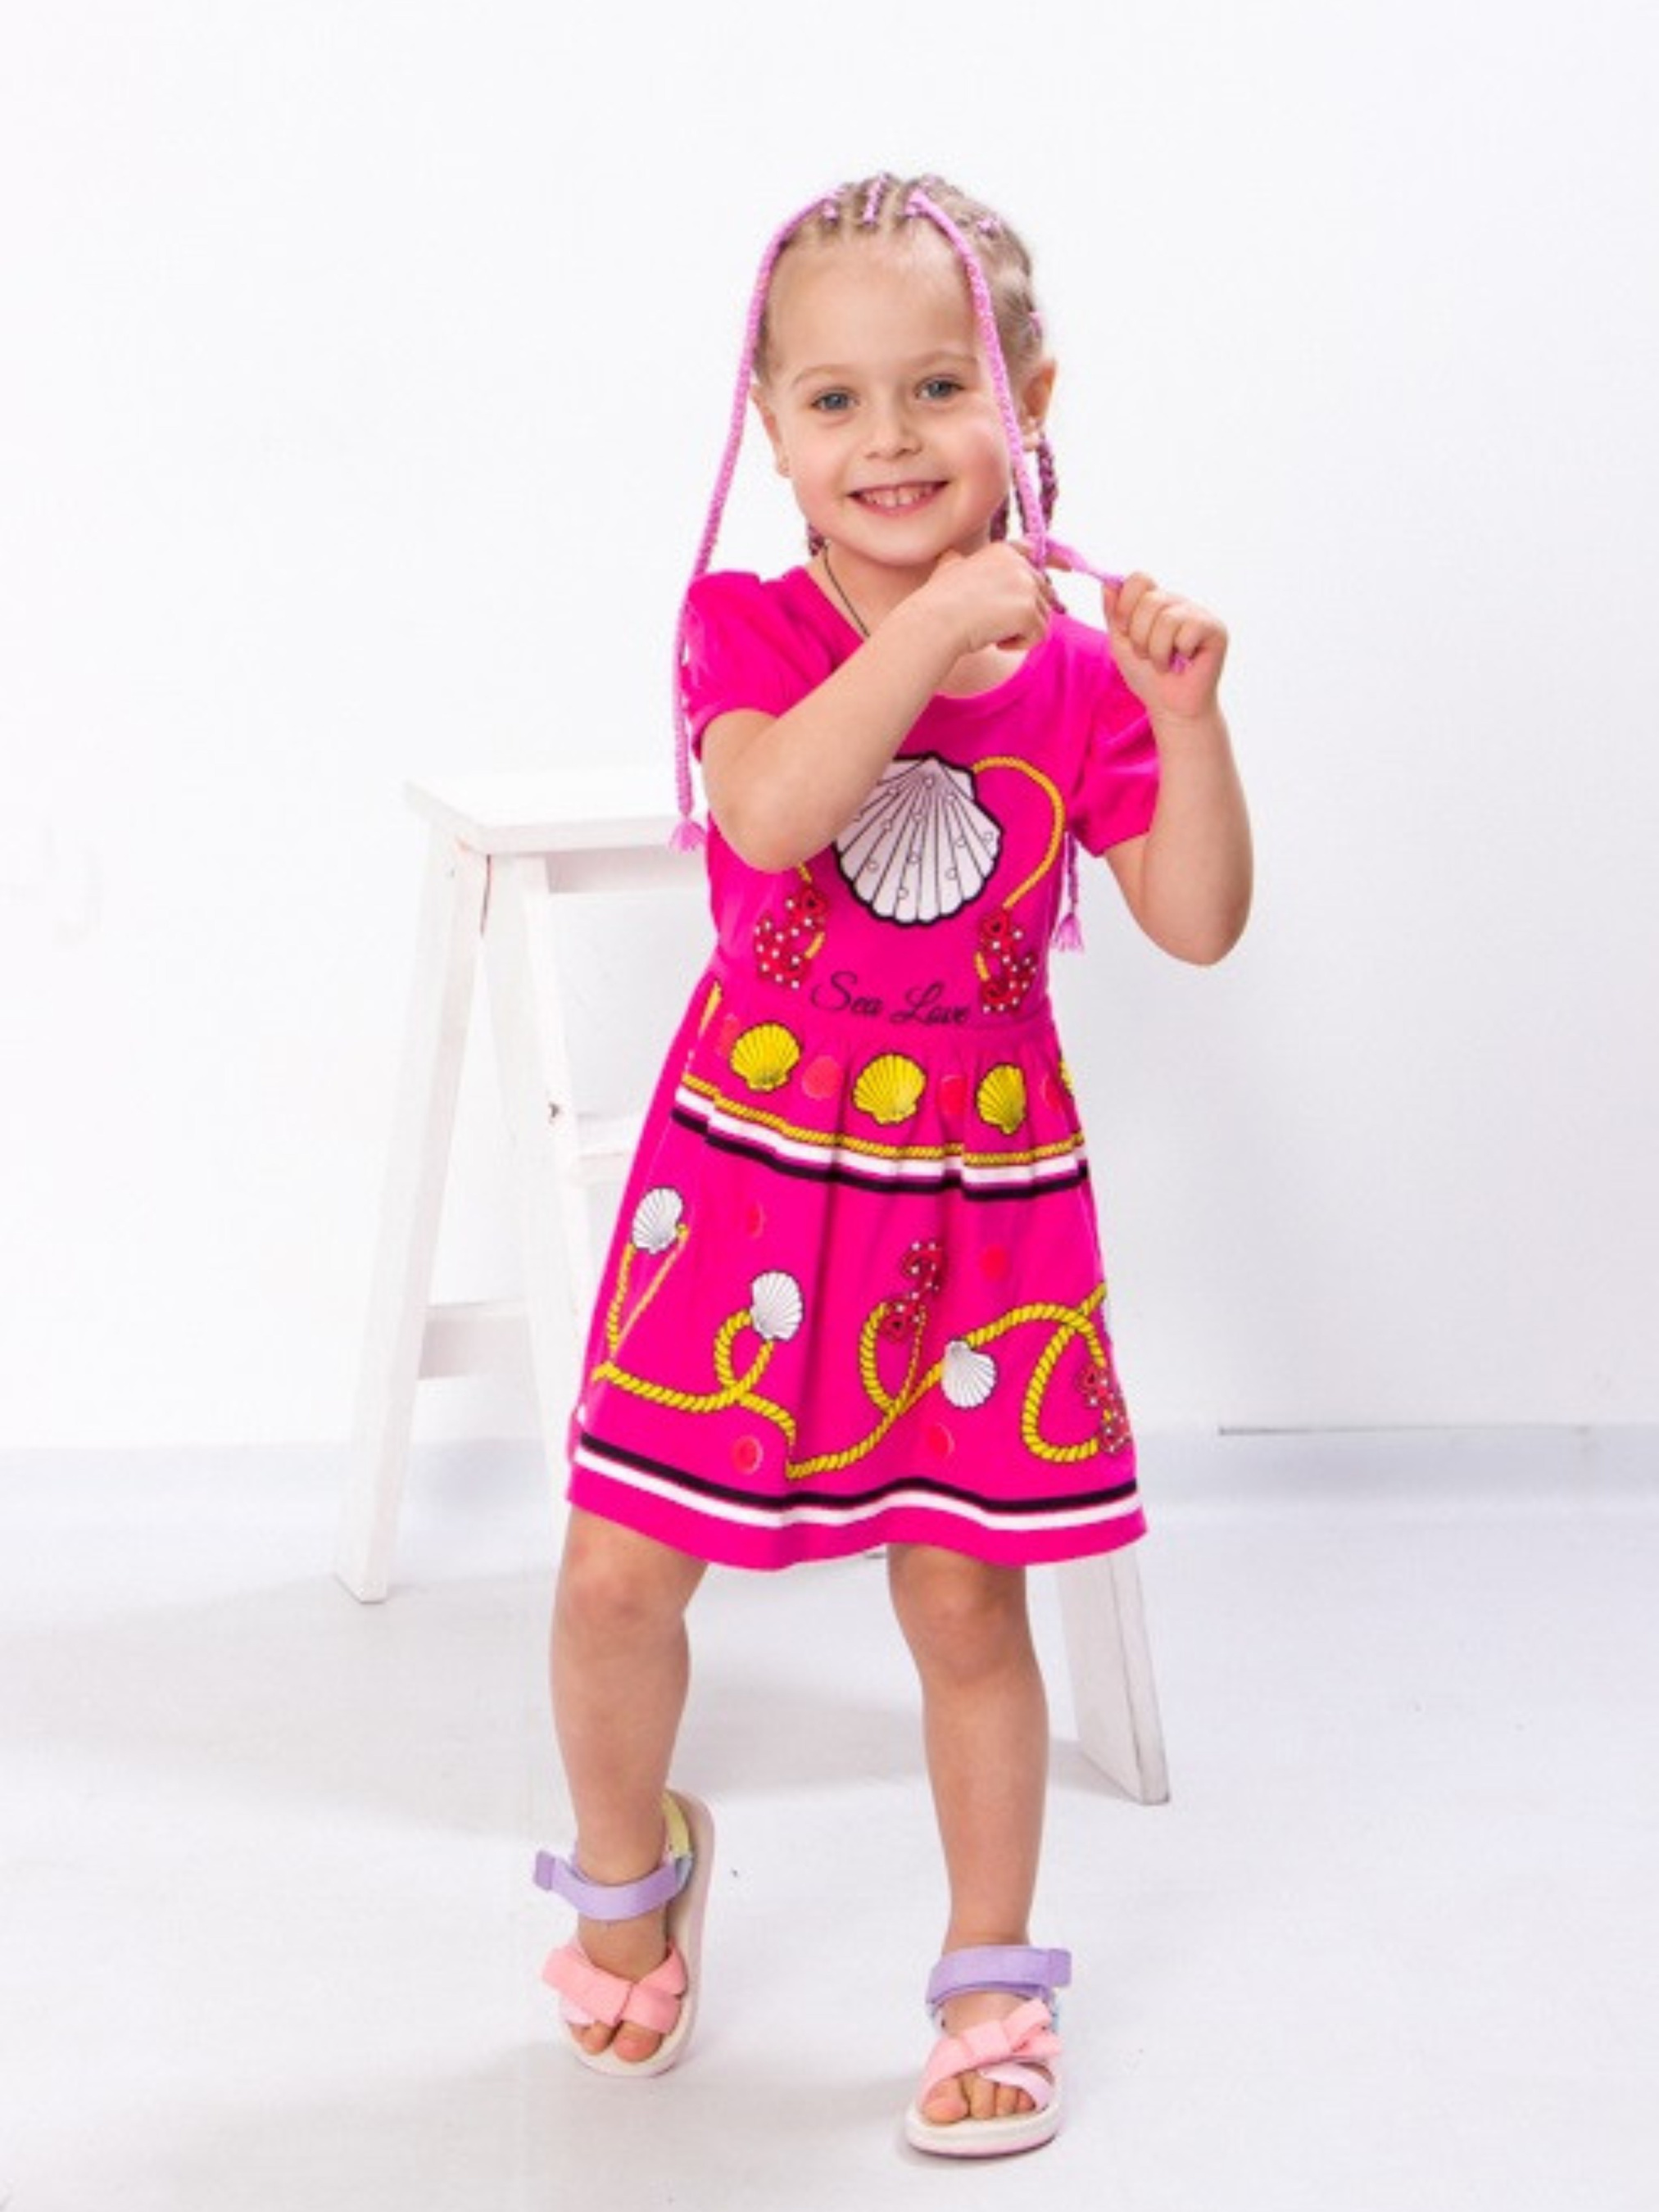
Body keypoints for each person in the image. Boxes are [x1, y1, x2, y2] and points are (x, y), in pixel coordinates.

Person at [532, 170, 1252, 2159]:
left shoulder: (1078, 675)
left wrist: (1185, 723)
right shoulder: (745, 625)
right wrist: (932, 624)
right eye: (833, 400)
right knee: (614, 1574)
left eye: (936, 387)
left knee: (959, 1601)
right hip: (747, 1183)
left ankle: (988, 1972)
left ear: (1023, 401)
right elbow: (770, 812)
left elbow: (1195, 919)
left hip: (974, 1207)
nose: (888, 438)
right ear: (766, 427)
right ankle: (626, 1878)